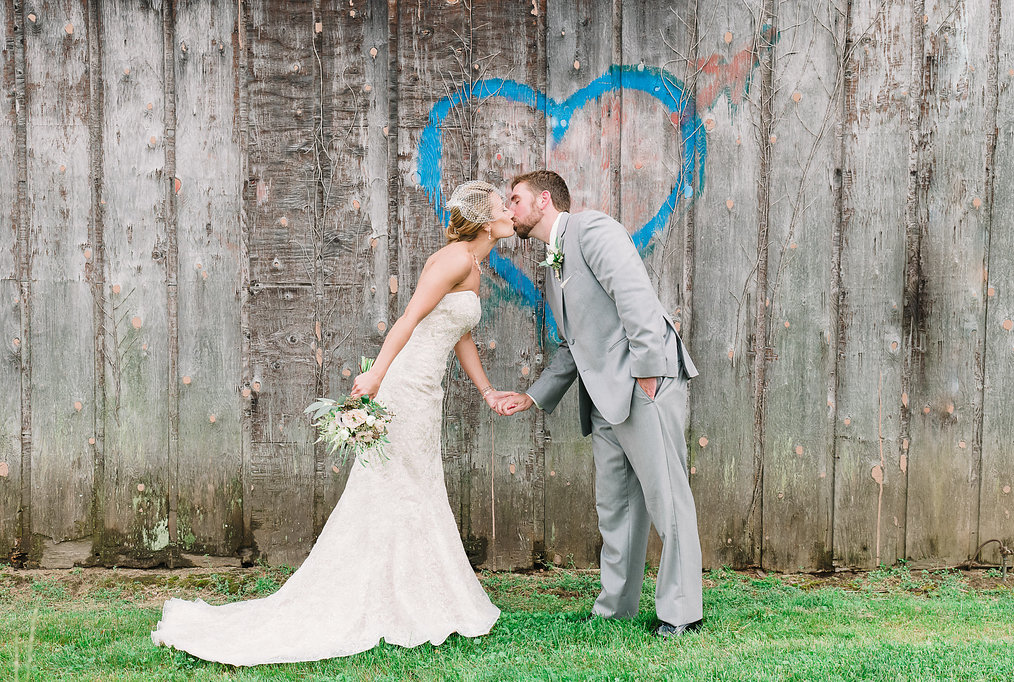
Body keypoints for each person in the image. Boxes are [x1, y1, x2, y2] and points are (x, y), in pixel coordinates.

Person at [152, 180, 517, 665]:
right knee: (400, 486)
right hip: (404, 388)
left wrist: (487, 389)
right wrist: (376, 375)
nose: (511, 213)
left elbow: (459, 333)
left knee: (418, 485)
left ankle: (419, 593)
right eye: (502, 207)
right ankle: (395, 598)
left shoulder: (472, 264)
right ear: (486, 222)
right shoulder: (453, 260)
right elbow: (408, 319)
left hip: (428, 391)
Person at [497, 170, 704, 636]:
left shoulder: (592, 230)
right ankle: (615, 608)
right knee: (616, 508)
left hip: (642, 384)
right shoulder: (553, 265)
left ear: (543, 200)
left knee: (667, 499)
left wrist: (649, 374)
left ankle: (681, 613)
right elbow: (575, 345)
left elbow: (636, 298)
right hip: (604, 400)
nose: (509, 209)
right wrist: (533, 396)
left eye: (515, 199)